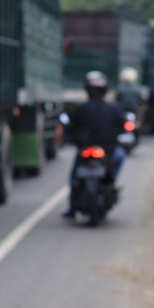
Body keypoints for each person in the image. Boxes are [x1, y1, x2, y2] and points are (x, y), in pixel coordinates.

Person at [62, 70, 126, 218]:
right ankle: (112, 181)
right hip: (104, 151)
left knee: (74, 177)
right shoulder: (114, 108)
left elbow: (71, 129)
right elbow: (123, 126)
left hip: (88, 150)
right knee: (120, 156)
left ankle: (72, 208)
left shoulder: (81, 109)